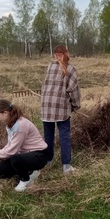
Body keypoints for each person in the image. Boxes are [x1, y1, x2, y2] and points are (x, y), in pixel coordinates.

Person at [0, 99, 50, 192]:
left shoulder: (20, 125)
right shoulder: (11, 124)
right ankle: (29, 172)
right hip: (25, 155)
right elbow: (10, 145)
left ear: (5, 113)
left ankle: (25, 181)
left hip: (39, 155)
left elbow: (12, 150)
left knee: (15, 159)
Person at [40, 45, 81, 173]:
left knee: (48, 136)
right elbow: (73, 91)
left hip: (46, 106)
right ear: (67, 53)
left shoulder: (50, 66)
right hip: (61, 107)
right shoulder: (71, 69)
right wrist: (75, 106)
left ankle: (48, 161)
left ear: (55, 55)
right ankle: (66, 166)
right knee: (64, 136)